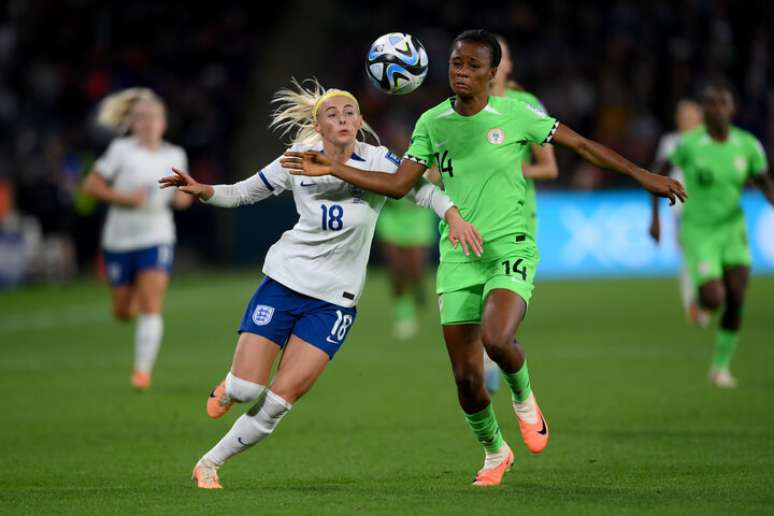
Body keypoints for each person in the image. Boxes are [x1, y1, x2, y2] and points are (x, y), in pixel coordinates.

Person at [283, 29, 685, 486]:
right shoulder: (432, 123)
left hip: (509, 245)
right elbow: (399, 186)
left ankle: (524, 399)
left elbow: (582, 146)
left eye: (473, 66)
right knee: (466, 380)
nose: (462, 72)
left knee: (497, 338)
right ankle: (495, 452)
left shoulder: (517, 115)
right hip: (457, 257)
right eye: (456, 63)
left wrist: (642, 174)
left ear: (492, 74)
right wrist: (336, 165)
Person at [159, 79, 479, 489]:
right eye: (333, 114)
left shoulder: (379, 160)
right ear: (318, 125)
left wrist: (452, 215)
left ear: (360, 122)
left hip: (334, 302)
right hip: (285, 282)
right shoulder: (297, 158)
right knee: (245, 388)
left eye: (350, 113)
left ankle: (209, 463)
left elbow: (425, 192)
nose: (342, 119)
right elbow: (242, 193)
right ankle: (230, 386)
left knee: (277, 403)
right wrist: (204, 191)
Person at [649, 81, 773, 388]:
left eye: (722, 103)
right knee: (714, 298)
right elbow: (658, 171)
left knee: (738, 297)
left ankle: (720, 367)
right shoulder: (690, 144)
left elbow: (763, 180)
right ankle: (701, 301)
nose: (717, 109)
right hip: (698, 229)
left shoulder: (748, 145)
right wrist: (655, 218)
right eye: (711, 104)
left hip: (733, 229)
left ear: (732, 108)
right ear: (705, 111)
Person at [82, 88, 192, 390]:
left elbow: (183, 199)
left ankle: (142, 373)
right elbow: (91, 185)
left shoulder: (175, 155)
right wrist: (125, 198)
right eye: (141, 118)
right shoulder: (121, 150)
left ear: (163, 123)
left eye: (153, 117)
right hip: (119, 239)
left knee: (151, 304)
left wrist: (183, 198)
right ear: (133, 123)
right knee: (122, 311)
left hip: (157, 236)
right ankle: (129, 309)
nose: (148, 123)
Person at [481, 34, 559, 395]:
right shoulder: (461, 108)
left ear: (507, 66)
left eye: (501, 55)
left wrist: (511, 171)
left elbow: (549, 168)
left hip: (517, 220)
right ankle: (489, 357)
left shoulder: (526, 104)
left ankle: (496, 357)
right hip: (473, 218)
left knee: (502, 303)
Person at [649, 100, 705, 325]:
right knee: (689, 258)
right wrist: (655, 216)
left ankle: (705, 296)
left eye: (691, 115)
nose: (686, 119)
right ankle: (692, 302)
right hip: (683, 211)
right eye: (683, 115)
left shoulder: (710, 142)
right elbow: (658, 175)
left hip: (711, 211)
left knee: (709, 258)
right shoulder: (671, 142)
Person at [376, 188, 436, 339]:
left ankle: (418, 287)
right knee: (397, 270)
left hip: (417, 216)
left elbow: (437, 173)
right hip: (392, 215)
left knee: (415, 270)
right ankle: (404, 315)